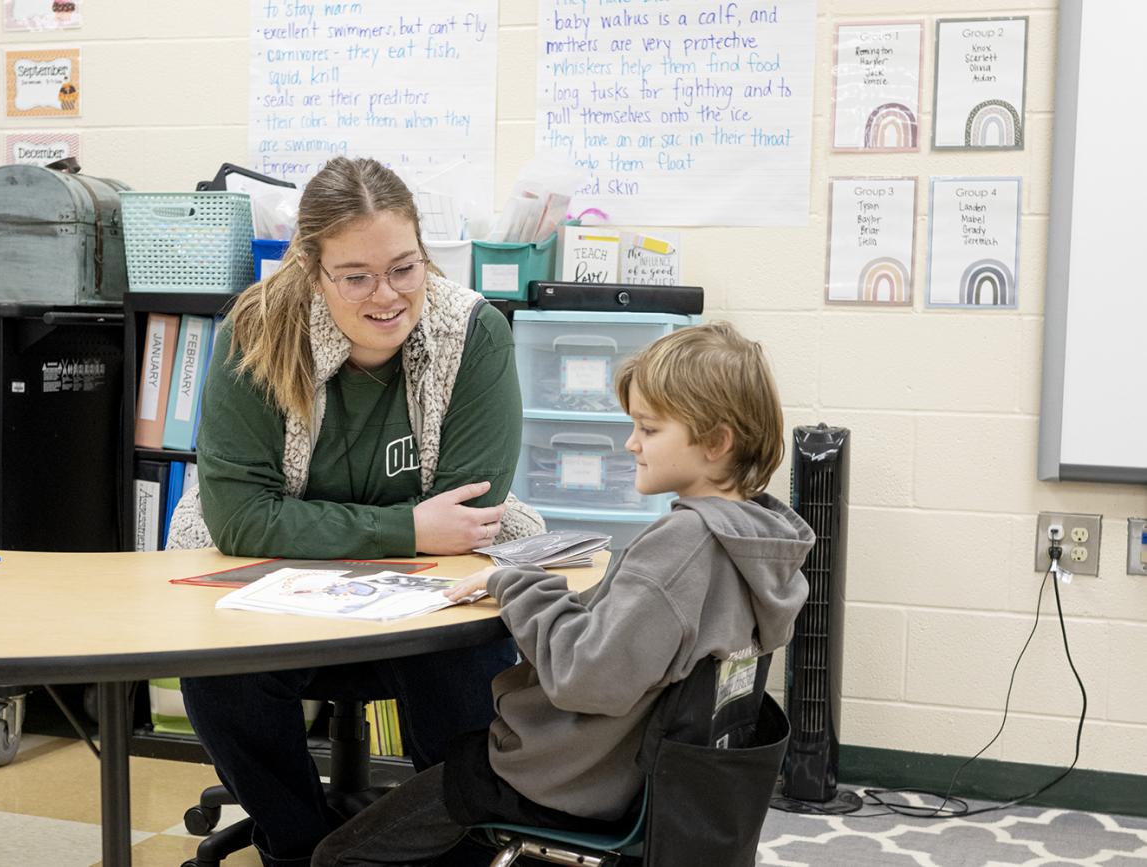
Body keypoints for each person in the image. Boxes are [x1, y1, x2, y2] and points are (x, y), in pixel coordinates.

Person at [310, 321, 816, 867]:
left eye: (648, 428)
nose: (631, 443)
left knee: (338, 856)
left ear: (717, 442)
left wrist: (515, 582)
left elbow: (587, 677)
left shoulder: (684, 545)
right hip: (645, 783)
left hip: (564, 779)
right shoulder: (758, 541)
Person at [180, 156, 544, 867]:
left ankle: (453, 853)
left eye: (405, 268)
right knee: (220, 676)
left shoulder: (472, 335)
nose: (387, 296)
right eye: (356, 276)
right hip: (272, 591)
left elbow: (467, 520)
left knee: (467, 667)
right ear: (311, 269)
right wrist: (405, 525)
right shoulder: (254, 334)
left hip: (428, 595)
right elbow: (241, 520)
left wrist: (312, 522)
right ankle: (303, 847)